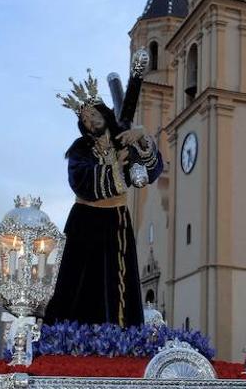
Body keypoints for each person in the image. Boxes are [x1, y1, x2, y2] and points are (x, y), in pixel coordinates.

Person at [44, 72, 163, 328]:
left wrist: (140, 137)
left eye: (94, 115)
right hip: (84, 220)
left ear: (104, 114)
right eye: (86, 119)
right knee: (76, 282)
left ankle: (118, 339)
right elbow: (82, 182)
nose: (91, 121)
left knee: (118, 283)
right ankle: (67, 337)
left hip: (116, 220)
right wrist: (115, 168)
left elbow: (149, 172)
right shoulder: (80, 150)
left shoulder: (124, 139)